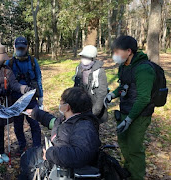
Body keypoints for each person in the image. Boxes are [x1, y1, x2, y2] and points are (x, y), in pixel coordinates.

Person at [104, 36, 156, 180]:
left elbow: (144, 98)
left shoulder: (144, 69)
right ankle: (128, 171)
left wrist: (129, 120)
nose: (115, 55)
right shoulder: (124, 66)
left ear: (129, 51)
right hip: (125, 110)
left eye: (117, 51)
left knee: (134, 148)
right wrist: (112, 95)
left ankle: (137, 175)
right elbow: (123, 86)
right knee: (124, 143)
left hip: (139, 115)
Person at [21, 87, 101, 179]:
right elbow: (54, 123)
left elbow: (78, 155)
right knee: (27, 156)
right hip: (55, 155)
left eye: (61, 102)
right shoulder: (69, 119)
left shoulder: (84, 127)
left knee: (28, 163)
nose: (60, 104)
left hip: (62, 166)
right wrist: (36, 114)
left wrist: (50, 154)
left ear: (67, 107)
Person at [6, 36, 43, 155]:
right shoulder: (9, 63)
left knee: (34, 123)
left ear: (27, 47)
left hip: (31, 98)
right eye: (18, 48)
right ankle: (22, 146)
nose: (20, 50)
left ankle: (37, 146)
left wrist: (41, 96)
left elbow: (38, 78)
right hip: (16, 99)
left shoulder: (33, 61)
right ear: (14, 47)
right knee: (18, 124)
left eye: (23, 48)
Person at [73, 45, 108, 123]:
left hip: (95, 105)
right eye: (82, 56)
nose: (84, 59)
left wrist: (94, 113)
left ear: (92, 58)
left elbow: (102, 94)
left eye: (86, 57)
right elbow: (75, 87)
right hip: (82, 105)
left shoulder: (99, 71)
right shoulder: (79, 68)